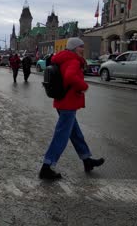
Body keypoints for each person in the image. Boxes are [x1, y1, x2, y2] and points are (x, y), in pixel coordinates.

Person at [39, 38, 104, 180]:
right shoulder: (73, 61)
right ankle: (46, 167)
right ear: (74, 48)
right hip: (68, 103)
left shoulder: (63, 58)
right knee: (61, 136)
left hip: (62, 102)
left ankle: (87, 160)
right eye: (81, 47)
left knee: (75, 134)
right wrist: (84, 86)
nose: (83, 49)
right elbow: (70, 77)